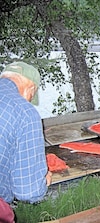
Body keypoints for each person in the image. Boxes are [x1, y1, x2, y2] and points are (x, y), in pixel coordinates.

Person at [0, 61, 52, 222]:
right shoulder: (25, 112)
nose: (29, 100)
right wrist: (43, 181)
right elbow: (28, 191)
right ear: (31, 89)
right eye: (31, 96)